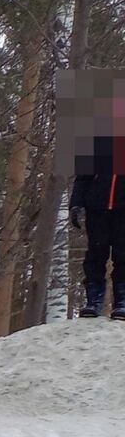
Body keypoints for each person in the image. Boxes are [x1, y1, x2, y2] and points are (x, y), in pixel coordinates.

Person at [71, 132, 123, 319]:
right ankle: (93, 300)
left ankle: (122, 301)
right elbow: (83, 176)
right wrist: (76, 204)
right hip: (97, 206)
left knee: (123, 254)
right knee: (95, 253)